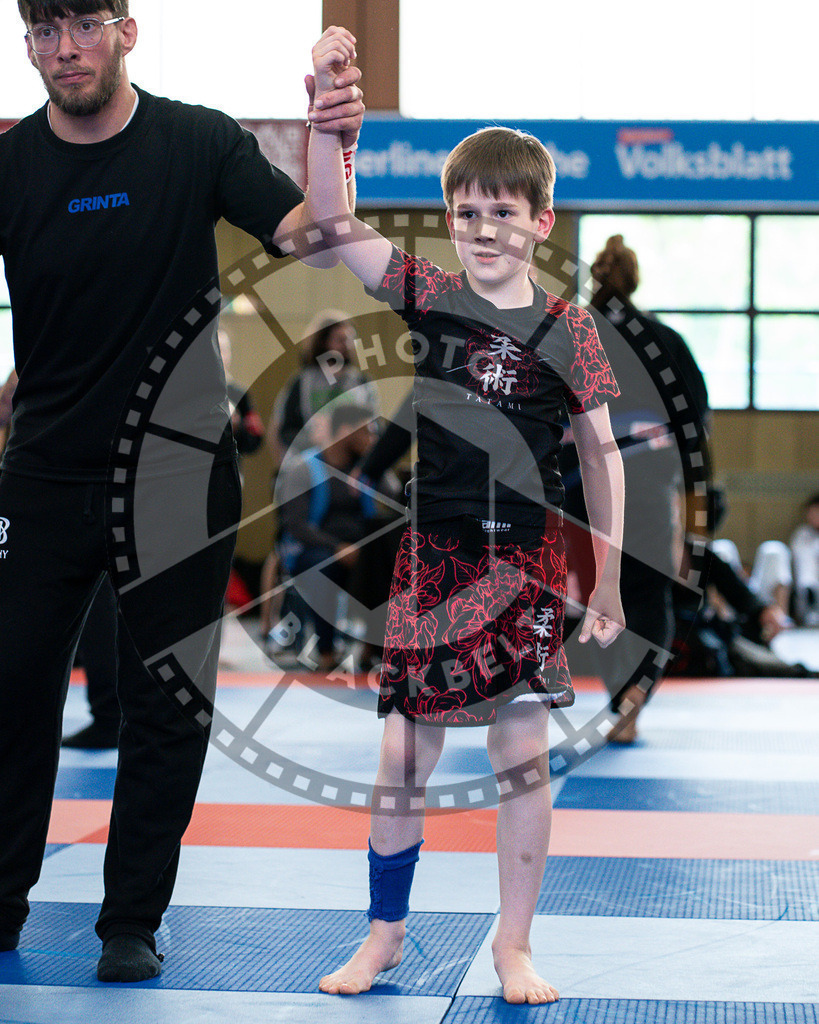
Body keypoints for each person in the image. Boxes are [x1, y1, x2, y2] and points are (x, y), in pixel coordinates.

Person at [0, 7, 363, 982]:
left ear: (124, 30)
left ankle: (131, 919)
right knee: (13, 688)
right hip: (42, 472)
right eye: (40, 29)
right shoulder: (10, 162)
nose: (60, 47)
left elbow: (319, 239)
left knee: (166, 702)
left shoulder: (197, 139)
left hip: (177, 472)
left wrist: (330, 134)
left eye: (79, 24)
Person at [306, 30, 625, 1005]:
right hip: (433, 561)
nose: (483, 226)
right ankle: (386, 932)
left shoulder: (568, 329)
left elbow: (601, 454)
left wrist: (607, 576)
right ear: (448, 219)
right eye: (466, 211)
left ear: (542, 220)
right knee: (405, 746)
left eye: (503, 211)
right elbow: (329, 216)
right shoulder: (430, 296)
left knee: (520, 751)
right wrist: (327, 106)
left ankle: (514, 944)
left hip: (525, 565)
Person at [562, 234, 710, 743]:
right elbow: (694, 429)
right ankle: (634, 697)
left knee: (600, 600)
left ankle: (617, 694)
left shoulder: (573, 336)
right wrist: (697, 509)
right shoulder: (665, 341)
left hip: (585, 486)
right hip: (648, 484)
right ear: (635, 281)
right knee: (651, 598)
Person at [276, 402, 395, 671]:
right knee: (323, 566)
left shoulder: (368, 468)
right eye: (367, 432)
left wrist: (377, 467)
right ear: (345, 431)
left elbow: (396, 501)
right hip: (316, 548)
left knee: (387, 563)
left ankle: (372, 649)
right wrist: (337, 547)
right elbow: (294, 525)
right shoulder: (304, 467)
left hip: (360, 549)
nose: (373, 439)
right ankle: (326, 651)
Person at [790, 493, 819, 626]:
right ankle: (810, 602)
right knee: (806, 560)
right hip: (806, 586)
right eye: (810, 513)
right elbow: (797, 558)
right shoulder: (802, 534)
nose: (812, 517)